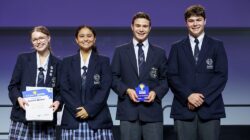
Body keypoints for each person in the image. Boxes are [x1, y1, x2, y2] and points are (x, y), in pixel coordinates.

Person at [168, 5, 228, 140]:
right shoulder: (176, 47)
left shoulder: (217, 45)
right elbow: (172, 76)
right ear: (186, 23)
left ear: (205, 21)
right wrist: (188, 96)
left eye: (199, 19)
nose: (195, 24)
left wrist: (201, 98)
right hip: (183, 109)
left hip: (210, 109)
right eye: (191, 20)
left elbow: (221, 76)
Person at [111, 12, 168, 140]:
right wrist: (127, 90)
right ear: (132, 27)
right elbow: (113, 78)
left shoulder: (159, 53)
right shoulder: (120, 51)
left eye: (144, 26)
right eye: (138, 26)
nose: (141, 29)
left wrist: (156, 93)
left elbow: (165, 79)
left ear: (150, 28)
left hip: (152, 112)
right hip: (128, 112)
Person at [60, 25, 113, 139]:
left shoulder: (104, 61)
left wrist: (89, 110)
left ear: (94, 39)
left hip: (98, 120)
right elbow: (64, 89)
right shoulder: (66, 62)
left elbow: (104, 89)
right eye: (82, 36)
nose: (85, 39)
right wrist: (78, 110)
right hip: (72, 119)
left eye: (89, 36)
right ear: (76, 40)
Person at [8, 26, 61, 139]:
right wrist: (19, 99)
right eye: (35, 39)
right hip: (22, 118)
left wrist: (57, 102)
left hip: (46, 120)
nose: (38, 42)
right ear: (32, 42)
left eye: (41, 38)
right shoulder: (23, 59)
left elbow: (61, 91)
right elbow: (12, 86)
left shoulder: (58, 64)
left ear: (49, 38)